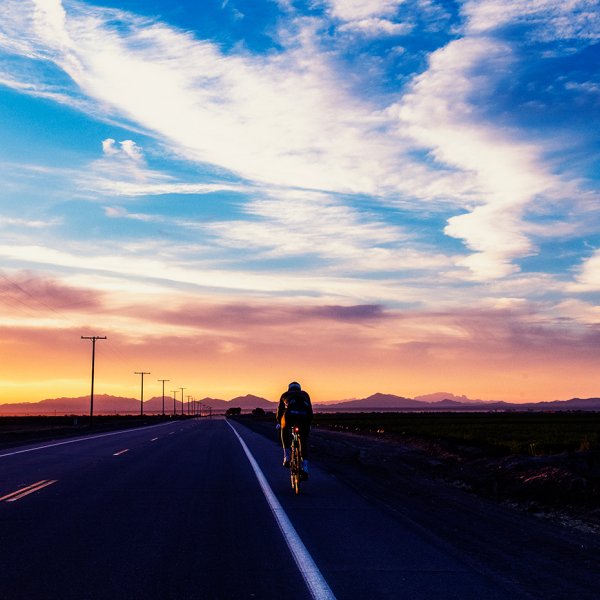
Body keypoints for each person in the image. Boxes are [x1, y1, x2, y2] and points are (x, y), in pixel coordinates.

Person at [276, 381, 313, 480]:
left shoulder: (285, 394)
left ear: (289, 388)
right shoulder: (305, 394)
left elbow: (280, 411)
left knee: (284, 430)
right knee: (303, 440)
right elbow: (310, 410)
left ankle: (287, 456)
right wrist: (309, 424)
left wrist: (279, 422)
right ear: (299, 388)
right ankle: (305, 466)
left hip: (290, 416)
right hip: (304, 417)